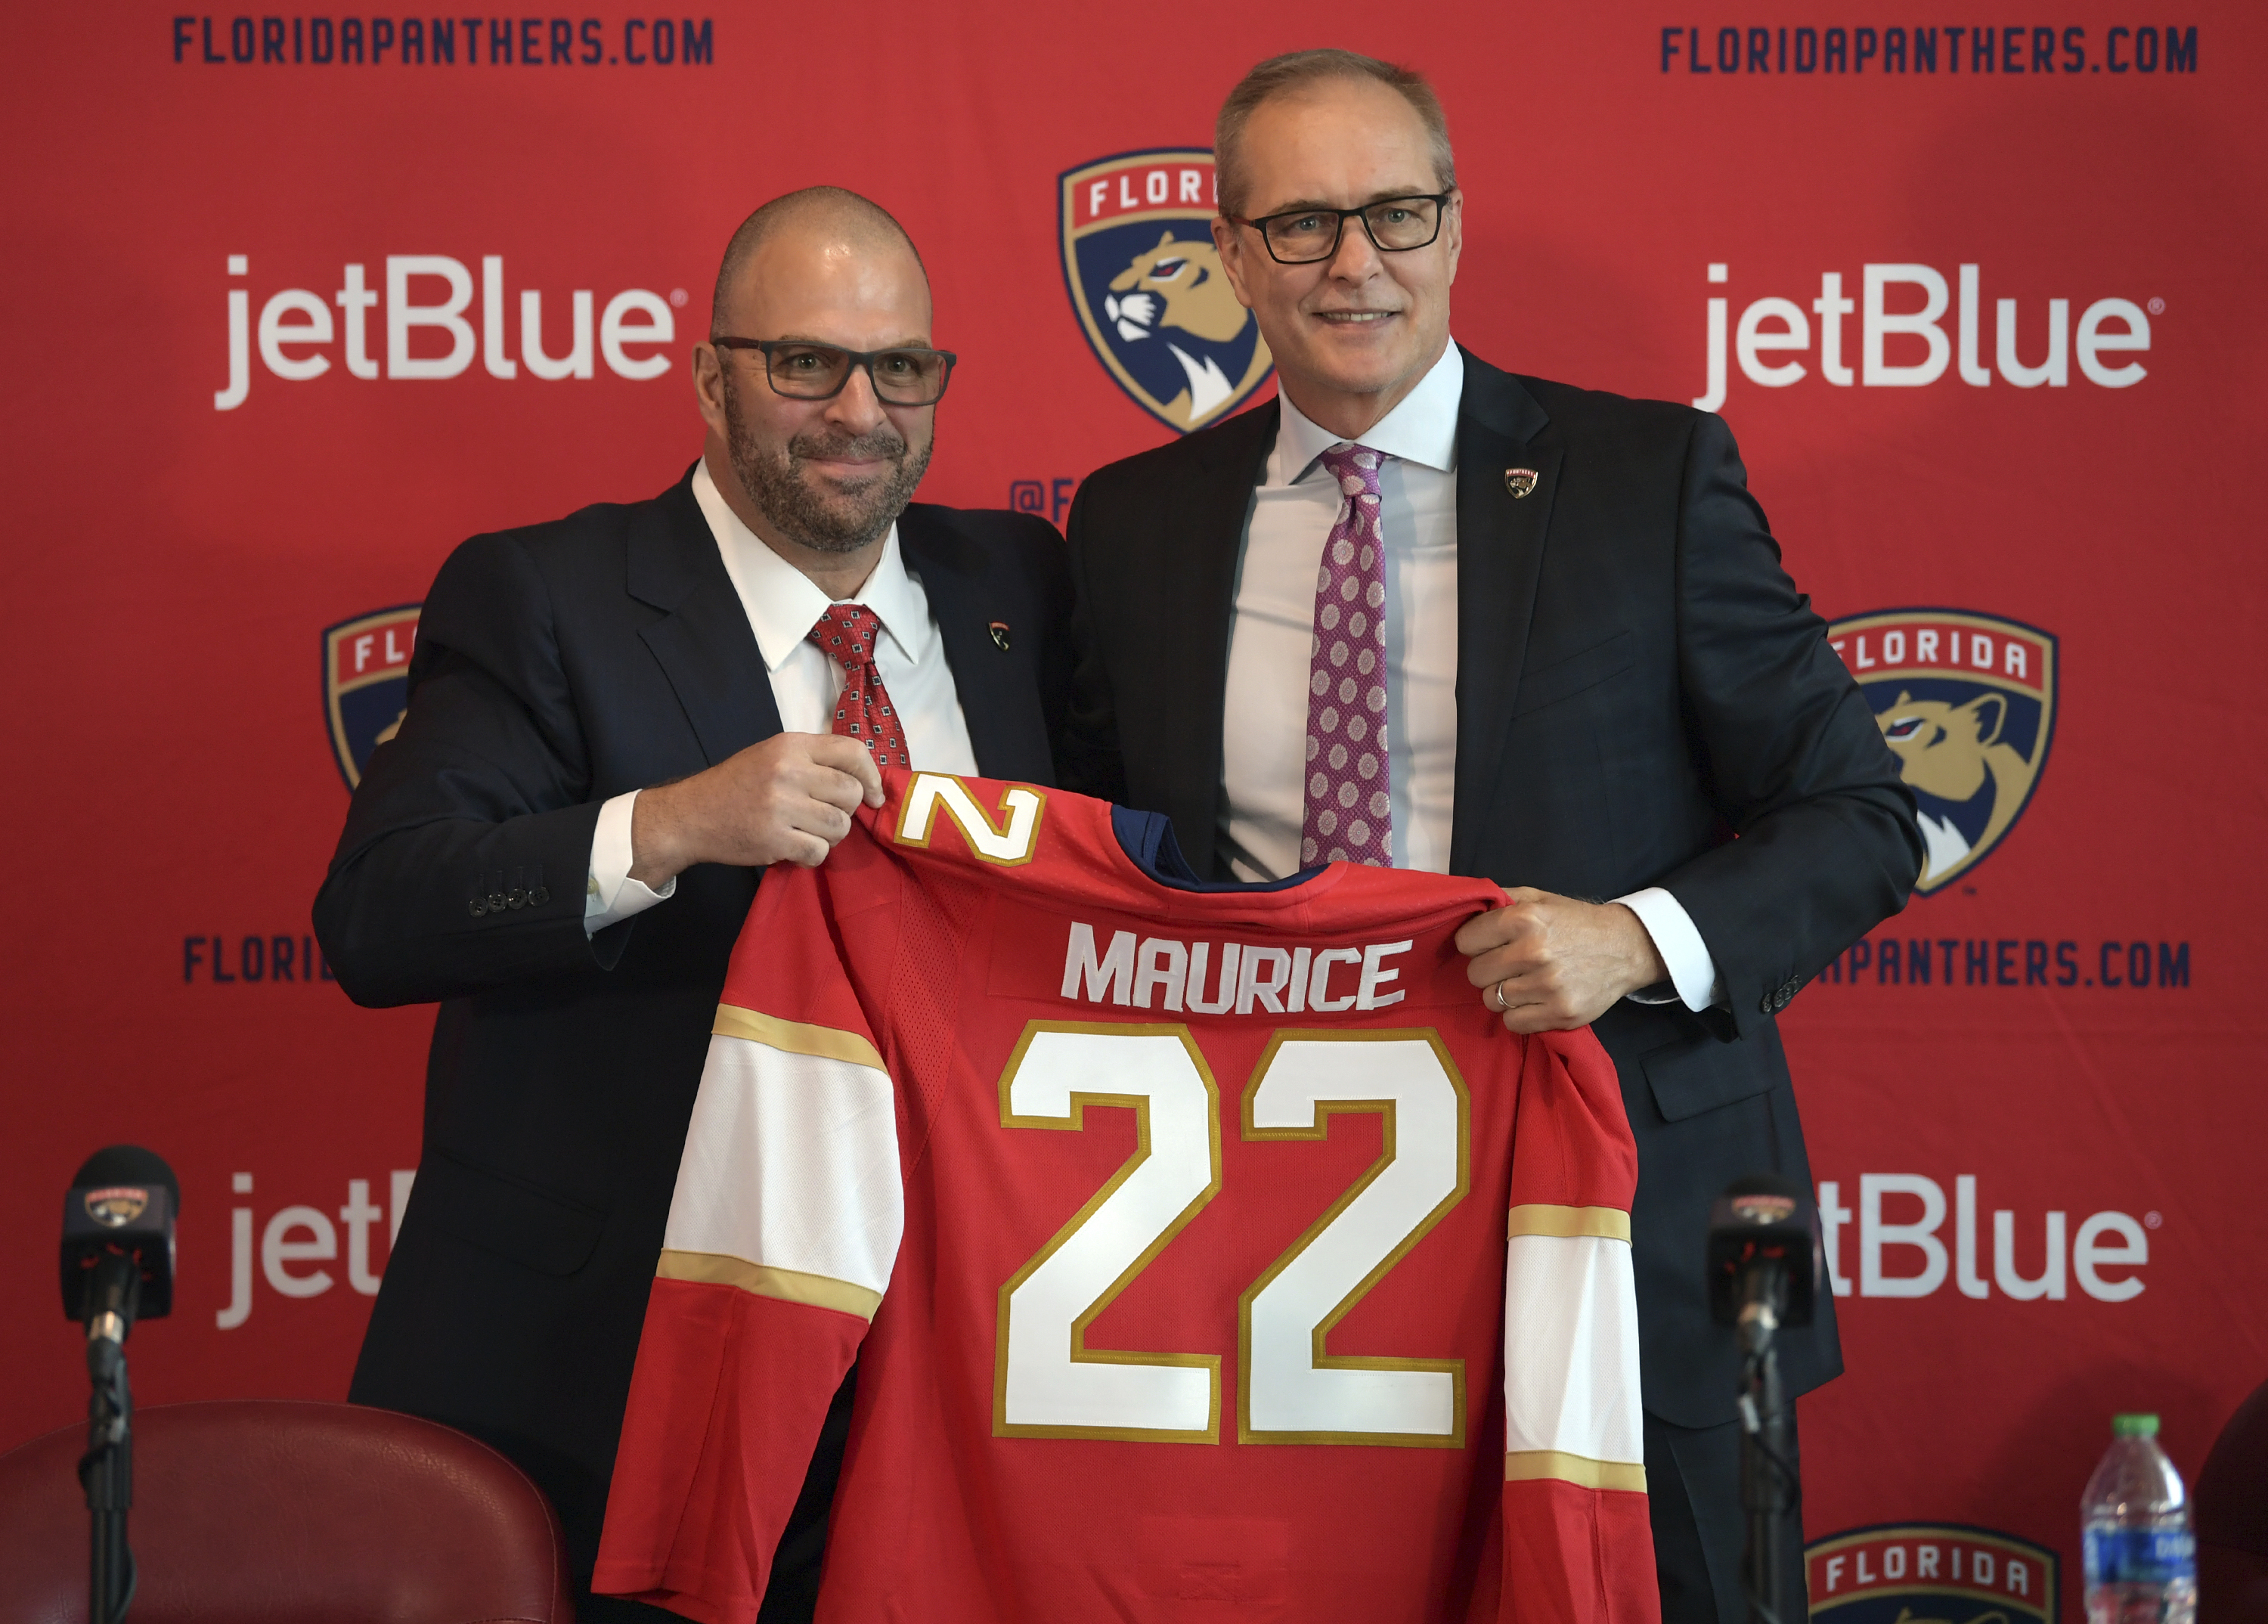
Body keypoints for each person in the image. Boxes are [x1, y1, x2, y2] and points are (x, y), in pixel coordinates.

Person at [1057, 50, 1922, 1624]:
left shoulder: (1649, 479)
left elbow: (1864, 815)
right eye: (1306, 222)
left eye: (1396, 210)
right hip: (1267, 1255)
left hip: (1618, 1222)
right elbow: (1095, 865)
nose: (1356, 262)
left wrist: (1631, 938)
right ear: (1233, 253)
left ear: (1454, 227)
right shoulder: (1132, 523)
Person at [314, 186, 1070, 1622]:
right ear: (711, 376)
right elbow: (379, 909)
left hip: (962, 1365)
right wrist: (668, 826)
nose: (860, 410)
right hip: (624, 1362)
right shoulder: (545, 593)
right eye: (806, 365)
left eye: (899, 368)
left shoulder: (1016, 588)